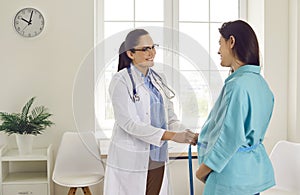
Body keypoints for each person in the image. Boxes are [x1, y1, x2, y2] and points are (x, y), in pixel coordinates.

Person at [104, 29, 198, 195]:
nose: (151, 53)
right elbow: (129, 124)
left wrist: (186, 133)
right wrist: (173, 136)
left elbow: (170, 118)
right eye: (145, 49)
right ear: (131, 53)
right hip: (132, 156)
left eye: (153, 47)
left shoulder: (159, 78)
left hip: (157, 155)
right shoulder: (121, 80)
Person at [195, 20, 275, 195]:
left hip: (229, 178)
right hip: (251, 177)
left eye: (220, 44)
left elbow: (229, 137)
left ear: (231, 42)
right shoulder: (262, 85)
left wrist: (202, 171)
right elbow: (245, 130)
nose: (218, 51)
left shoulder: (237, 86)